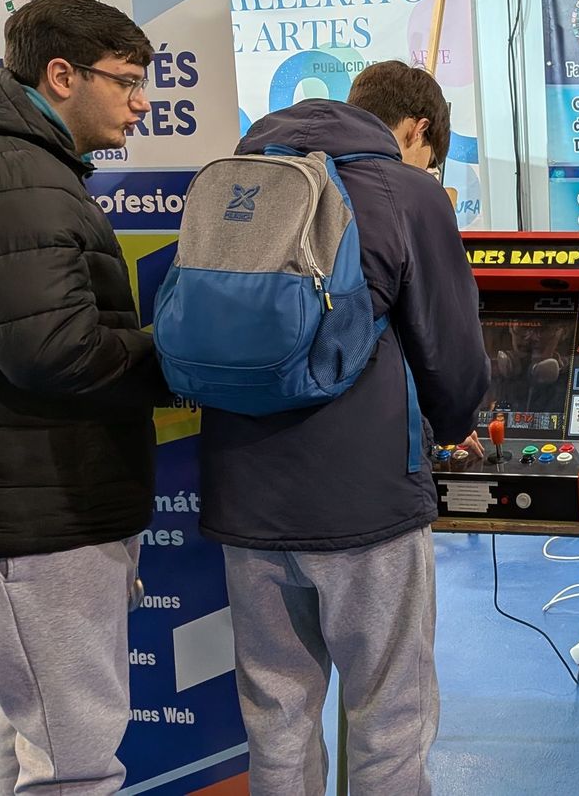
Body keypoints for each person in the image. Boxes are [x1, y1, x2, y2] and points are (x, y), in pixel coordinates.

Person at [196, 60, 488, 795]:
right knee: (389, 716)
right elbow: (451, 348)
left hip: (243, 495)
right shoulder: (408, 192)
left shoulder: (237, 179)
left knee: (277, 716)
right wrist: (455, 424)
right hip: (367, 501)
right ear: (418, 129)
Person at [0, 0, 165, 795]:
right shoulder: (12, 175)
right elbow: (51, 351)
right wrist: (181, 357)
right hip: (33, 510)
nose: (141, 102)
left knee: (36, 737)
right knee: (73, 761)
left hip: (17, 502)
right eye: (126, 81)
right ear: (62, 75)